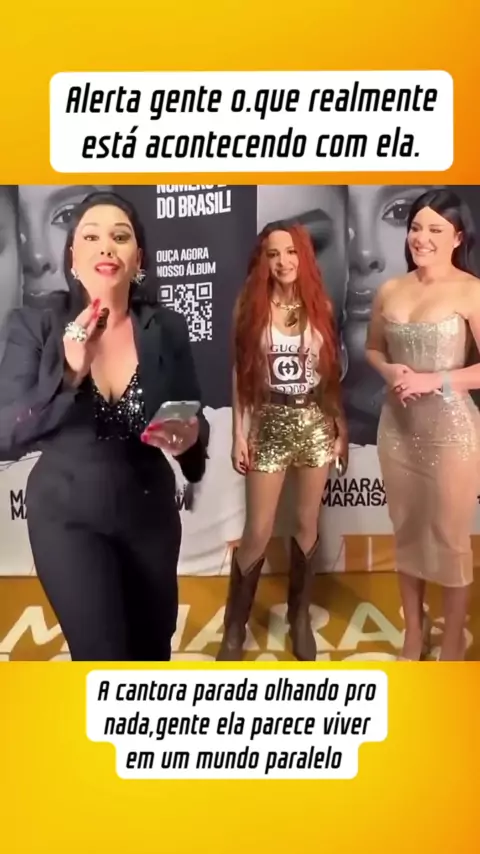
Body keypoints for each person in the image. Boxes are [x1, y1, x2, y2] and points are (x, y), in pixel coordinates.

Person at [0, 191, 209, 661]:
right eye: (91, 237)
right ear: (73, 257)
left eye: (120, 236)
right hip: (67, 516)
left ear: (139, 259)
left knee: (152, 652)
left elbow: (193, 440)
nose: (106, 246)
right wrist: (69, 372)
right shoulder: (34, 325)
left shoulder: (167, 328)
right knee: (102, 657)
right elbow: (6, 432)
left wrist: (191, 440)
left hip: (149, 515)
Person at [216, 222, 348, 661]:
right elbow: (240, 374)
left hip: (314, 421)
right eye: (273, 254)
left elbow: (329, 374)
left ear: (303, 255)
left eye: (290, 252)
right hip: (268, 422)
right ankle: (234, 628)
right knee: (258, 530)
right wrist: (238, 432)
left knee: (307, 523)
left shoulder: (321, 305)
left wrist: (340, 428)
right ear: (264, 261)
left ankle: (299, 617)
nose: (283, 261)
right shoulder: (249, 306)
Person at [365, 189, 480, 661]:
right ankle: (414, 632)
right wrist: (390, 370)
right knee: (407, 534)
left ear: (458, 237)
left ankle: (452, 642)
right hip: (398, 430)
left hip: (452, 432)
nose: (421, 237)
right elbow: (373, 349)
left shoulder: (472, 290)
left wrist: (435, 380)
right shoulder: (391, 290)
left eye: (435, 229)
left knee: (450, 539)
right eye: (415, 227)